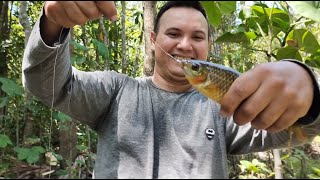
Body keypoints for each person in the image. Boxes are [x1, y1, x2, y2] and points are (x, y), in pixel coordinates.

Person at [22, 1, 320, 179]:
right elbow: (46, 85)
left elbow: (290, 129)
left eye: (198, 37)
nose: (185, 46)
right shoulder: (115, 91)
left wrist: (312, 90)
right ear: (153, 39)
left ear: (208, 46)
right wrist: (53, 23)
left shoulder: (229, 103)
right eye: (174, 34)